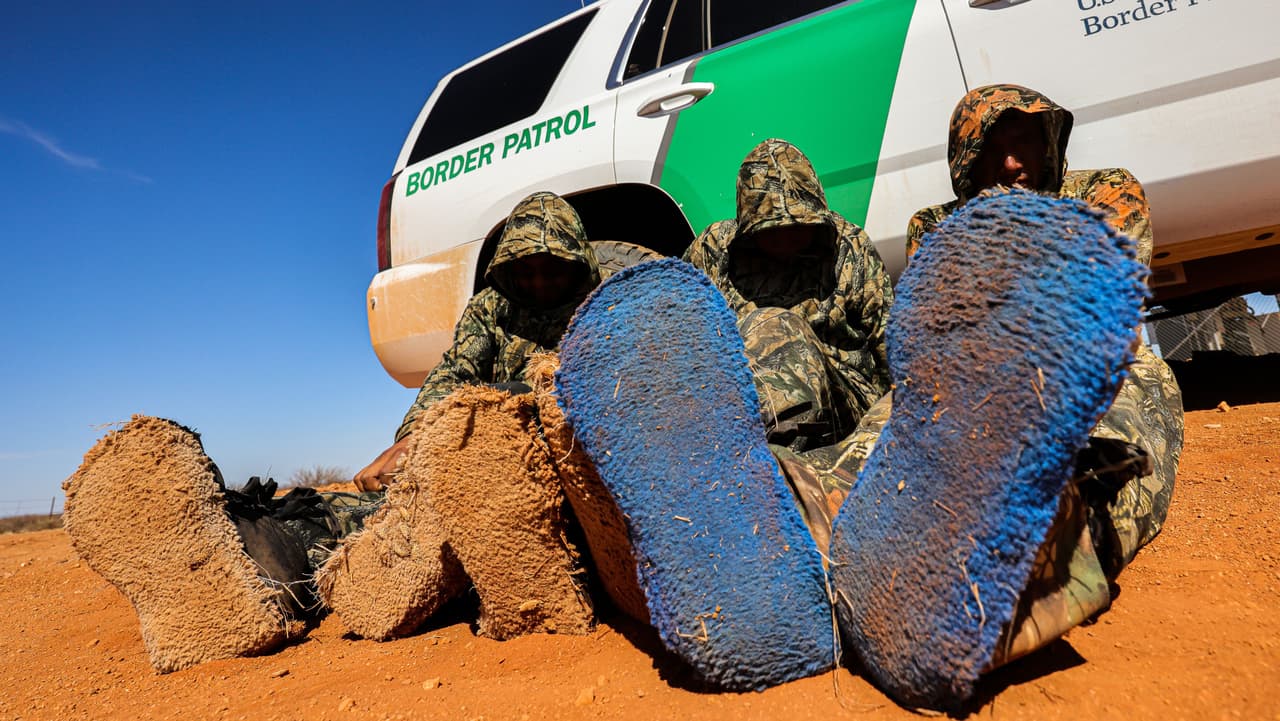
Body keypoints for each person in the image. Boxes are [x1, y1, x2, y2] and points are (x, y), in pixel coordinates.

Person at [62, 191, 606, 672]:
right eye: (524, 269)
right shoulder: (492, 309)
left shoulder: (603, 308)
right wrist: (412, 442)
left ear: (578, 262)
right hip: (465, 473)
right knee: (363, 518)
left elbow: (596, 388)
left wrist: (494, 408)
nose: (537, 280)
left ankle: (428, 579)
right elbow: (447, 380)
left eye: (551, 267)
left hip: (560, 475)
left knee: (465, 515)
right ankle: (249, 567)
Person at [682, 138, 895, 547]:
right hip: (743, 415)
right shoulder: (712, 253)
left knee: (775, 325)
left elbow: (892, 349)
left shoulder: (849, 248)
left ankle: (779, 487)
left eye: (797, 227)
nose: (785, 239)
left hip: (845, 406)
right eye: (771, 231)